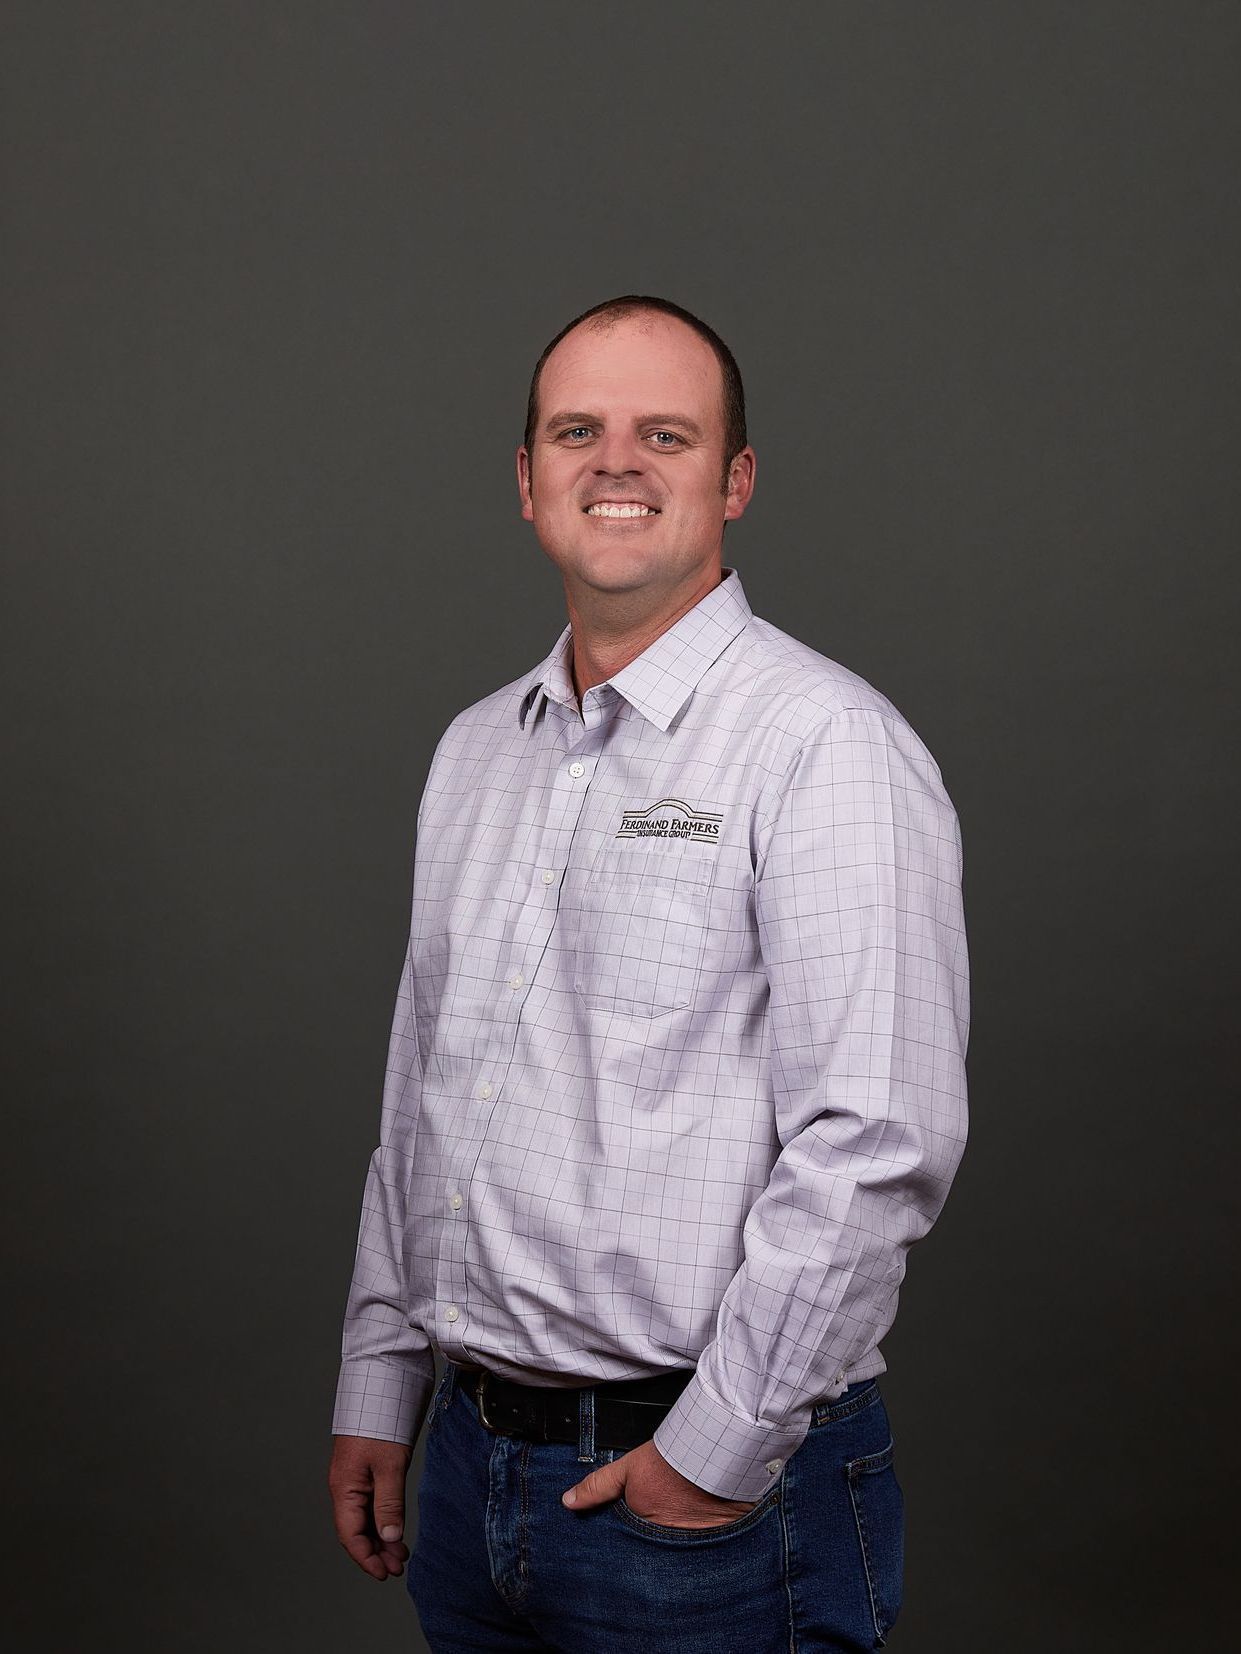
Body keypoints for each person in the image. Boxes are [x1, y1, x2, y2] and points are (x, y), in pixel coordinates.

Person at [327, 293, 970, 1651]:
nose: (614, 462)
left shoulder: (822, 745)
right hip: (466, 1465)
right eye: (577, 430)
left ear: (732, 479)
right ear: (526, 478)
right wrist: (382, 1387)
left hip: (707, 1498)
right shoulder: (473, 753)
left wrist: (710, 1454)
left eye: (662, 433)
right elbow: (420, 1102)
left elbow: (879, 1139)